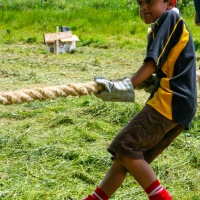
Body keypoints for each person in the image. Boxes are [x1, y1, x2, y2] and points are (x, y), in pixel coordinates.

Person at [78, 0, 197, 199]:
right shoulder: (159, 27)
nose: (143, 7)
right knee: (124, 159)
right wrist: (152, 82)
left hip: (171, 99)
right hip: (181, 103)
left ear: (170, 2)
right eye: (140, 3)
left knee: (125, 147)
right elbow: (168, 65)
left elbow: (152, 62)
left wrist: (127, 85)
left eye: (149, 1)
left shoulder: (170, 17)